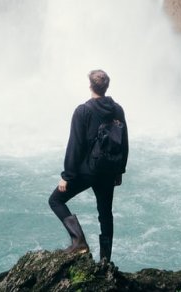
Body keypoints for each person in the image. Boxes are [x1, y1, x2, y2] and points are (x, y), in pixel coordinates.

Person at [49, 69, 128, 265]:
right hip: (109, 170)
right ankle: (105, 261)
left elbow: (75, 145)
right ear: (106, 87)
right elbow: (124, 142)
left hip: (88, 171)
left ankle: (79, 242)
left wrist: (67, 176)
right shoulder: (118, 110)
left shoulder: (83, 111)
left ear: (90, 86)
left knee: (56, 200)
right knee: (105, 214)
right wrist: (119, 171)